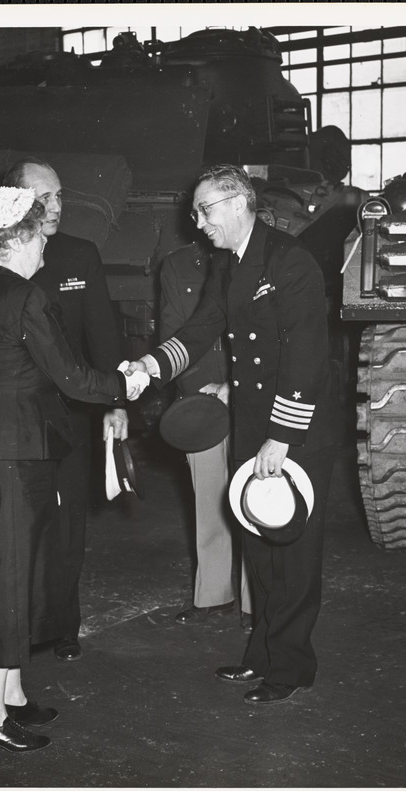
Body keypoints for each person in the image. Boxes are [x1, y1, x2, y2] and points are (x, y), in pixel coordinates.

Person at [0, 186, 146, 753]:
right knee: (7, 579)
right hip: (11, 453)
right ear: (21, 240)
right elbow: (74, 377)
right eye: (39, 238)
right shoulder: (26, 296)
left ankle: (10, 696)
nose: (46, 251)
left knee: (3, 573)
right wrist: (127, 383)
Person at [127, 164, 340, 705]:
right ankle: (261, 656)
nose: (198, 224)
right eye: (196, 213)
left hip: (293, 428)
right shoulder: (230, 265)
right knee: (260, 544)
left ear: (238, 202)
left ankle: (291, 668)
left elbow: (307, 354)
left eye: (204, 210)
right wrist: (151, 367)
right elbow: (198, 330)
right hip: (253, 422)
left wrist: (283, 437)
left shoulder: (290, 261)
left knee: (290, 547)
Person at [2, 156, 129, 663]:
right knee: (21, 525)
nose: (56, 207)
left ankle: (63, 624)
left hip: (72, 413)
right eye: (43, 198)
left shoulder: (79, 256)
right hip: (15, 418)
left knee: (68, 523)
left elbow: (102, 333)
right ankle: (21, 625)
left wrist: (117, 403)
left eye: (58, 196)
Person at [158, 242, 252, 630]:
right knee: (209, 498)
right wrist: (203, 389)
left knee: (253, 499)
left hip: (252, 395)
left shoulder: (265, 258)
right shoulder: (178, 265)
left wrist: (237, 385)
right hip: (201, 399)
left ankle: (255, 601)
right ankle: (213, 595)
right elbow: (172, 333)